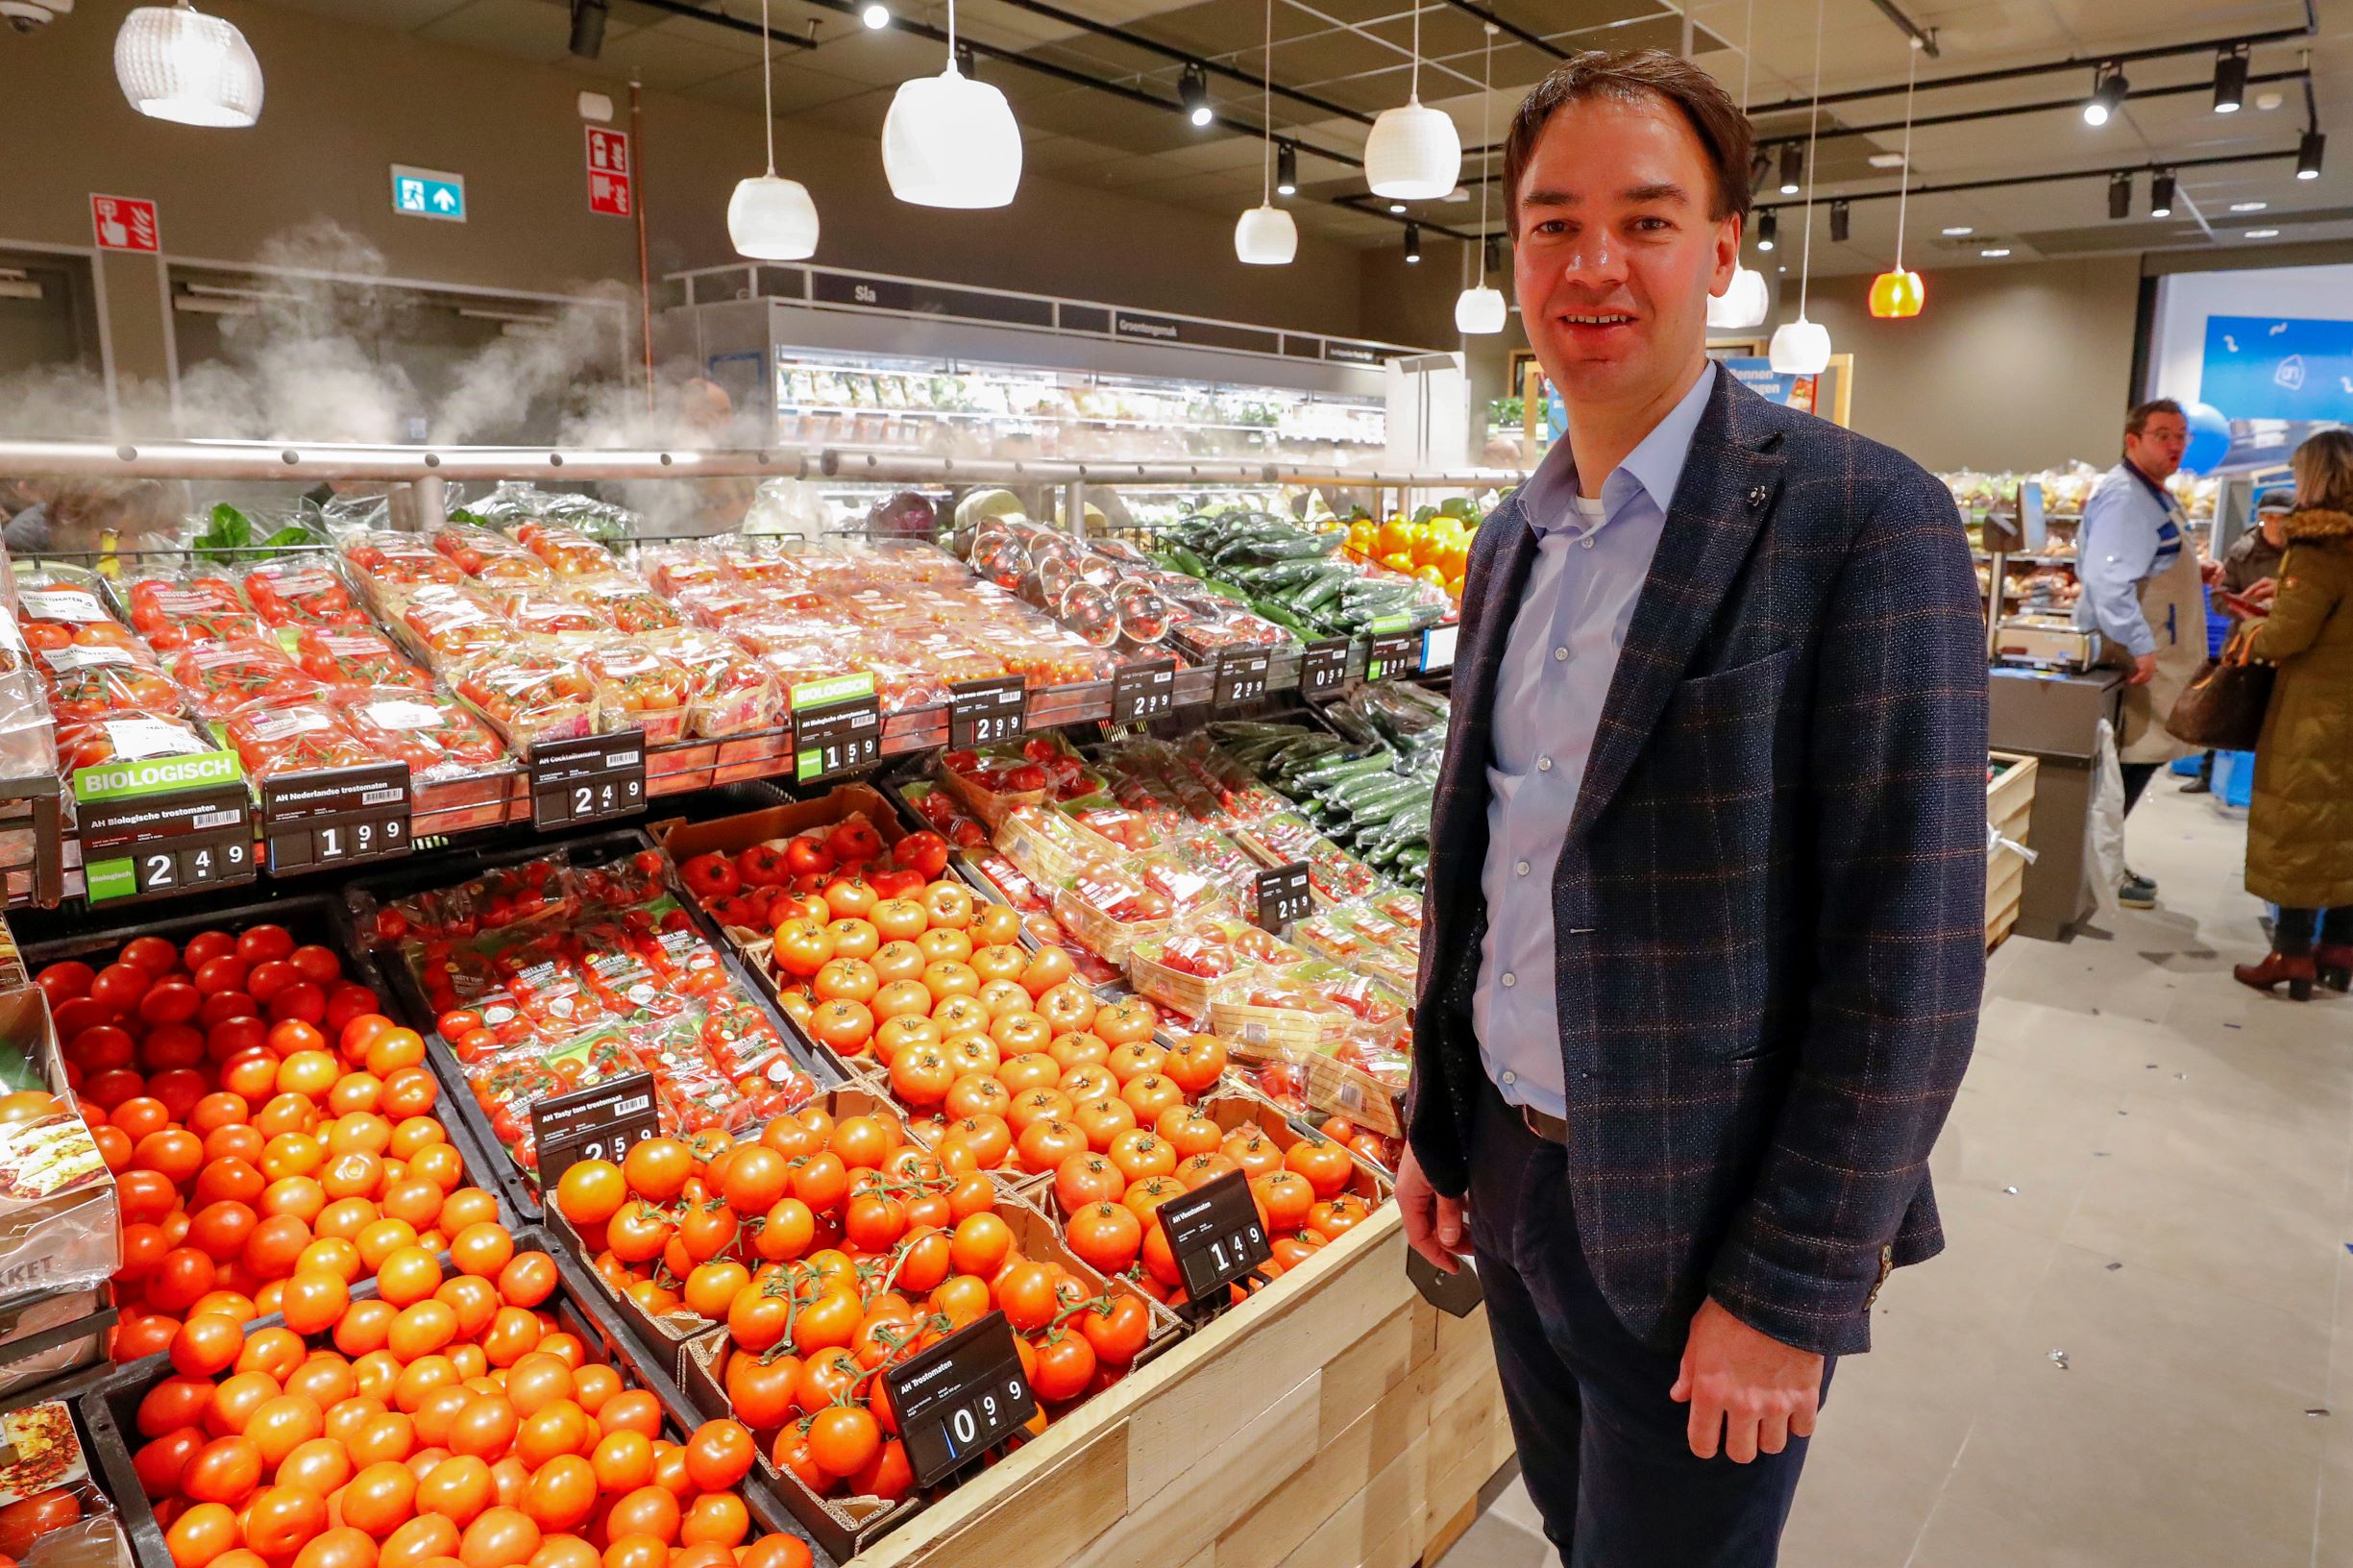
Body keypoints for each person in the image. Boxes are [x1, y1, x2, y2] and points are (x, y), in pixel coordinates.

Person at [1395, 50, 1986, 1568]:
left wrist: (1789, 1290)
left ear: (1721, 252)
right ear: (1512, 254)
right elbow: (1493, 864)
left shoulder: (1865, 519)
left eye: (1645, 221)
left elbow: (1910, 959)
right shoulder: (1508, 540)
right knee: (1574, 1532)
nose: (1592, 266)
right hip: (1514, 1179)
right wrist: (1440, 1127)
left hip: (1704, 1218)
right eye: (1552, 224)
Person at [2072, 399, 2215, 905]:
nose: (2175, 445)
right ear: (2132, 440)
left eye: (2181, 435)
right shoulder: (2126, 497)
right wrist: (2138, 645)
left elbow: (2149, 557)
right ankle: (2096, 868)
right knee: (2132, 758)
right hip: (2144, 651)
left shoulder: (2153, 493)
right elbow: (2109, 580)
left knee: (2141, 757)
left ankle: (2102, 861)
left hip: (2160, 646)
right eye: (2162, 435)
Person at [2230, 429, 2353, 999]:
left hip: (2317, 711)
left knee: (2301, 822)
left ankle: (2293, 951)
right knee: (2345, 829)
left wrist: (2255, 626)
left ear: (2317, 478)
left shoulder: (2320, 546)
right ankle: (2341, 948)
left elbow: (2288, 638)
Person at [2185, 489, 2294, 792]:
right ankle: (2208, 774)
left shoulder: (2303, 554)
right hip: (2244, 642)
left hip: (2285, 644)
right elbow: (2220, 598)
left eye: (2282, 519)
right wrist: (2241, 606)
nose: (2275, 526)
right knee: (2227, 705)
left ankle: (2262, 783)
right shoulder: (2242, 552)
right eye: (2268, 518)